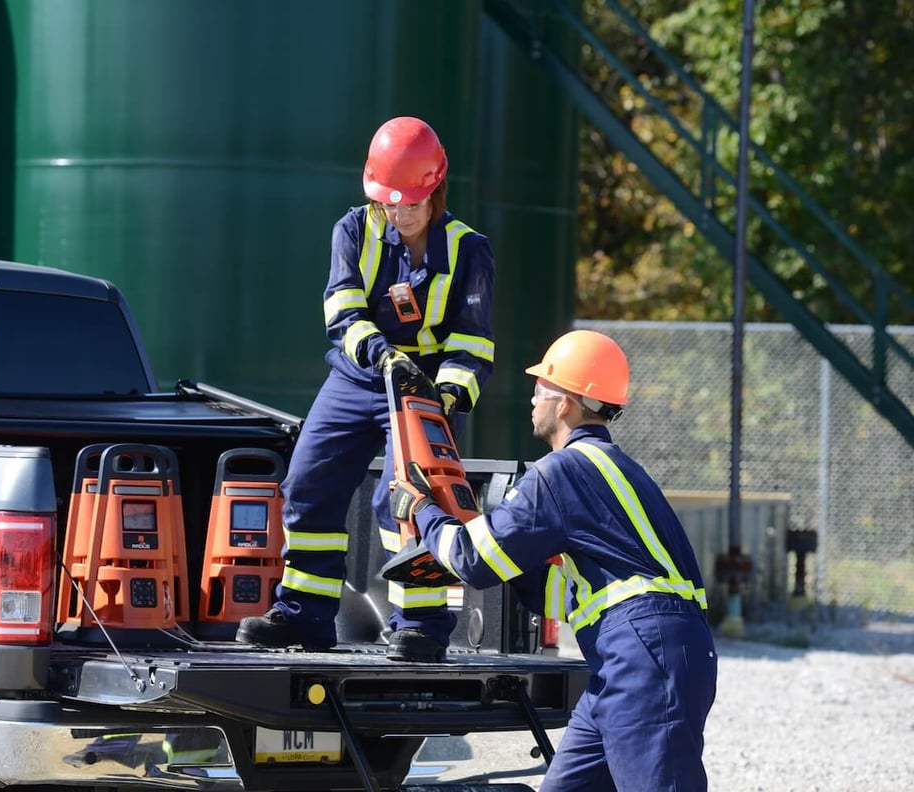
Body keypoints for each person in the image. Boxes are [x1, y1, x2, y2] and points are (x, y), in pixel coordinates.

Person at [386, 329, 718, 790]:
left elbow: (472, 560)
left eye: (540, 389)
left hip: (642, 656)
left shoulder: (560, 472)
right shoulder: (617, 468)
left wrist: (421, 509)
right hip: (636, 654)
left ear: (566, 403)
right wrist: (511, 552)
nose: (532, 400)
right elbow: (569, 594)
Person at [235, 116, 496, 662]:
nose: (399, 215)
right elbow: (343, 312)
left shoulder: (469, 249)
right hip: (359, 377)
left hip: (425, 389)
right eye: (389, 204)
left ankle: (422, 626)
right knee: (307, 484)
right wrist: (384, 357)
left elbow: (474, 343)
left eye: (411, 205)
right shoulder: (353, 230)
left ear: (436, 190)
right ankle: (304, 616)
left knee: (409, 499)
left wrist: (443, 399)